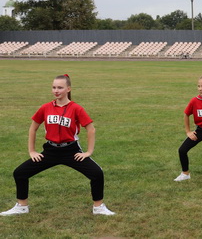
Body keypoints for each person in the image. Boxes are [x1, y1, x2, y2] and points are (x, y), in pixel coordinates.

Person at [0, 74, 115, 216]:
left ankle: (98, 207)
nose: (56, 90)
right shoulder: (46, 107)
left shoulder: (76, 108)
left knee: (97, 173)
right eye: (54, 87)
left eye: (60, 87)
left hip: (71, 150)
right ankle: (22, 206)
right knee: (20, 173)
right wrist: (32, 151)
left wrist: (88, 152)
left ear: (68, 89)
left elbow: (91, 129)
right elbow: (33, 128)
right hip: (50, 151)